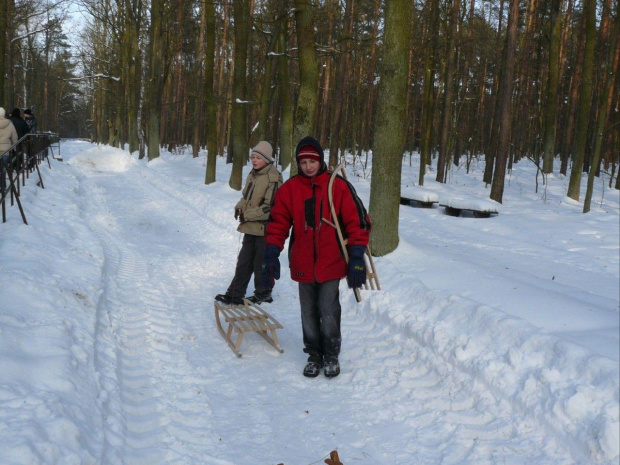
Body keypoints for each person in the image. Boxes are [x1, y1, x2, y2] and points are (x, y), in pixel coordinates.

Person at [262, 136, 371, 378]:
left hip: (331, 263)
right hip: (303, 263)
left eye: (312, 161)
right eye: (303, 162)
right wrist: (271, 252)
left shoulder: (338, 186)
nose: (308, 167)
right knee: (308, 311)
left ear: (320, 160)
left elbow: (359, 222)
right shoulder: (290, 189)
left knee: (328, 308)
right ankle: (314, 354)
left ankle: (331, 354)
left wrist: (356, 257)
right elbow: (278, 223)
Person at [215, 141, 283, 306]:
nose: (254, 160)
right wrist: (239, 208)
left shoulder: (273, 177)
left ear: (266, 159)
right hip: (250, 228)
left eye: (258, 157)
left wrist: (248, 215)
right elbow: (246, 197)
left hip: (264, 229)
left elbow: (270, 208)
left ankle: (264, 293)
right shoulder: (253, 174)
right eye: (253, 156)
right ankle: (235, 294)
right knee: (243, 262)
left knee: (261, 263)